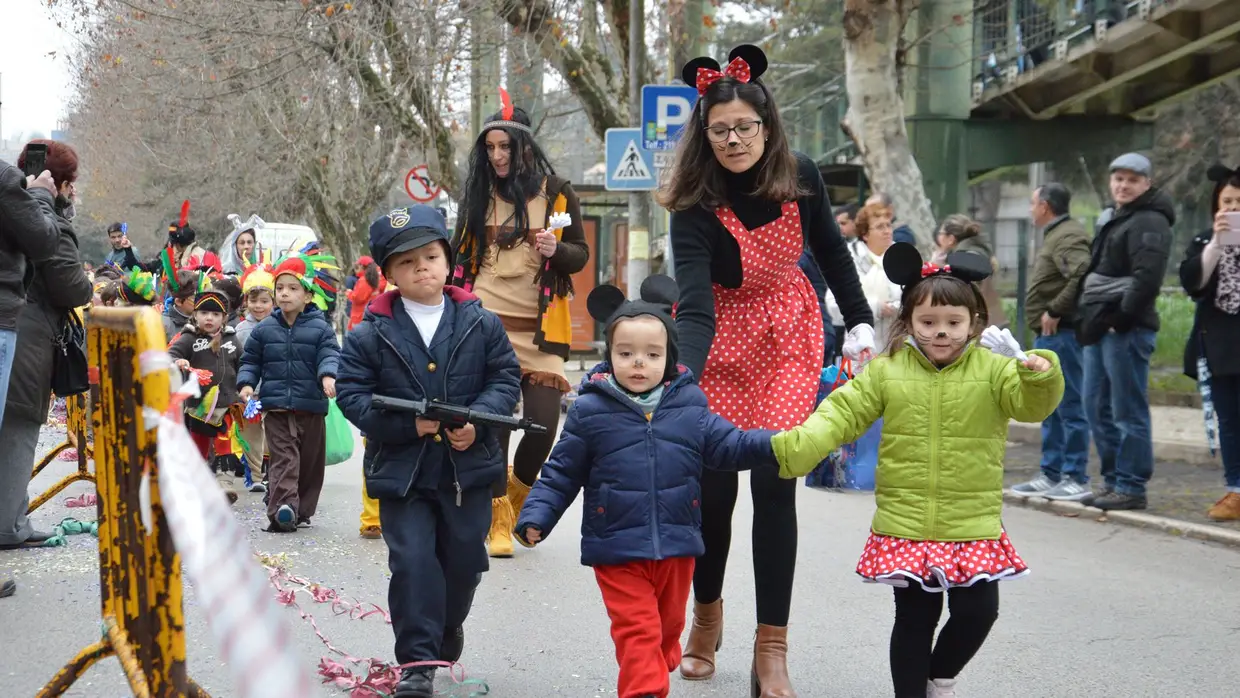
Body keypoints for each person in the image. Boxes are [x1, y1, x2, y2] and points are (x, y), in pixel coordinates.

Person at [658, 44, 876, 696]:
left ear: (767, 125)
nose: (732, 140)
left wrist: (861, 321)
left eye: (744, 127)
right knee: (716, 491)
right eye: (719, 129)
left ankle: (771, 647)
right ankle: (707, 619)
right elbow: (694, 305)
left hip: (786, 335)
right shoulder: (693, 200)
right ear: (705, 132)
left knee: (778, 479)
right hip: (718, 340)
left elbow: (835, 260)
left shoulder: (800, 175)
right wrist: (683, 380)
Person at [772, 243, 1064, 698]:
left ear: (974, 323)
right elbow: (841, 415)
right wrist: (793, 448)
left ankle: (939, 678)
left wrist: (1038, 372)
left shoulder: (995, 371)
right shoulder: (887, 372)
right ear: (909, 323)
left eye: (953, 323)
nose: (941, 333)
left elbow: (1031, 405)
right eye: (928, 323)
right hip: (905, 523)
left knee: (979, 612)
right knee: (913, 620)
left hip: (972, 522)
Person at [514, 276, 779, 698]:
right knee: (638, 632)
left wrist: (778, 445)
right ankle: (646, 686)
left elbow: (731, 445)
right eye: (626, 353)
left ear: (669, 358)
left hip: (677, 544)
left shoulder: (690, 405)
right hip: (616, 546)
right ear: (609, 354)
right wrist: (536, 515)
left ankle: (663, 651)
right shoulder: (589, 410)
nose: (639, 363)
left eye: (652, 354)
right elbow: (560, 472)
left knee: (666, 627)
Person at [336, 205, 521, 698]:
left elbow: (504, 379)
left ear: (448, 261)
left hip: (467, 470)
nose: (422, 267)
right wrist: (406, 425)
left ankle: (446, 627)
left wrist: (476, 424)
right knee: (413, 561)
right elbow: (352, 395)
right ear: (389, 274)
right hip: (403, 472)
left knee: (464, 562)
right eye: (407, 262)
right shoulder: (369, 332)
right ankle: (417, 661)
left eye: (431, 256)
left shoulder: (481, 322)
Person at [450, 95, 590, 557]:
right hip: (488, 323)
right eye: (489, 148)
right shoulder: (477, 196)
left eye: (505, 146)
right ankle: (496, 518)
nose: (497, 156)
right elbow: (457, 261)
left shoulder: (558, 192)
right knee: (495, 422)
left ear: (525, 147)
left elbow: (579, 256)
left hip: (541, 329)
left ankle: (515, 494)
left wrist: (556, 250)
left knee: (542, 426)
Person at [0, 140, 94, 553]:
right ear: (57, 184)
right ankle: (9, 524)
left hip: (21, 329)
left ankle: (15, 518)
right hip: (27, 335)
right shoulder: (40, 215)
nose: (73, 192)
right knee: (19, 428)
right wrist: (90, 286)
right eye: (70, 183)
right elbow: (69, 284)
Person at [1077, 153, 1174, 510]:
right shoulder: (1117, 219)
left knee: (1126, 410)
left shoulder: (1150, 221)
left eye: (1132, 179)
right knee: (1096, 406)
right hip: (1100, 327)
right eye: (1118, 178)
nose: (1123, 185)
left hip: (1125, 330)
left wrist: (1120, 318)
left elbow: (1146, 278)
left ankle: (1132, 485)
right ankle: (1114, 480)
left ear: (1146, 184)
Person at [237, 251, 340, 532]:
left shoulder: (321, 328)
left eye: (293, 288)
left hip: (312, 406)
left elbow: (330, 354)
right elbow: (250, 361)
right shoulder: (264, 329)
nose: (284, 294)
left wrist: (328, 376)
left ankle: (301, 509)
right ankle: (283, 508)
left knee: (309, 463)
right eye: (279, 288)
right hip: (276, 407)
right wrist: (246, 383)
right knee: (284, 459)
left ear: (307, 296)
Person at [1012, 183, 1093, 501]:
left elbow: (1083, 270)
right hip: (1050, 337)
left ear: (1045, 206)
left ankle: (1075, 476)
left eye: (1032, 204)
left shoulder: (1069, 234)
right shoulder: (1057, 234)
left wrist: (1056, 309)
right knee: (1051, 405)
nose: (1031, 210)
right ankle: (1051, 473)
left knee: (1069, 403)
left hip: (1063, 334)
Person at [1181, 164, 1240, 521]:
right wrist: (1218, 243)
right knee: (1230, 420)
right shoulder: (1205, 240)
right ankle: (1235, 489)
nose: (1232, 209)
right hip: (1218, 346)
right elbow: (1193, 283)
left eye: (1239, 202)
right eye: (1227, 201)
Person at [169, 285, 243, 503]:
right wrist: (178, 361)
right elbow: (171, 353)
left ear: (224, 317)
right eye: (204, 313)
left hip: (227, 404)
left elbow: (244, 363)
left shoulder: (231, 339)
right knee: (198, 446)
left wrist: (246, 388)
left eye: (215, 314)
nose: (209, 318)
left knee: (224, 444)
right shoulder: (189, 338)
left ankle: (224, 486)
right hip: (198, 406)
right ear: (195, 315)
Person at [826, 202, 903, 346]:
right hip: (862, 348)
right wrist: (875, 307)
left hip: (897, 347)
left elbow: (915, 297)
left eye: (888, 225)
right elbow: (834, 305)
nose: (887, 231)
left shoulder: (902, 258)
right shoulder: (849, 260)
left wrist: (897, 307)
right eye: (880, 227)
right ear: (865, 234)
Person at [235, 262, 276, 493]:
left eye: (264, 301)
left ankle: (272, 471)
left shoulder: (280, 326)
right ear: (245, 302)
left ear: (273, 302)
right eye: (253, 301)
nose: (258, 306)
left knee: (273, 434)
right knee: (251, 435)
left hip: (273, 390)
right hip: (249, 392)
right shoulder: (240, 330)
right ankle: (257, 476)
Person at [934, 214, 1008, 328]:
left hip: (981, 325)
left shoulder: (965, 257)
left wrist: (939, 268)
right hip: (990, 320)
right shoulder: (975, 251)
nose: (938, 237)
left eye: (941, 233)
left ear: (951, 239)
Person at [347, 255, 387, 331]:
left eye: (357, 266)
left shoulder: (364, 281)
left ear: (362, 266)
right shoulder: (375, 278)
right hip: (369, 314)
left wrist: (349, 293)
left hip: (359, 316)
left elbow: (358, 298)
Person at [163, 270, 201, 342]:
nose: (201, 302)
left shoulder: (203, 321)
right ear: (179, 302)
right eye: (195, 299)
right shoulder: (163, 325)